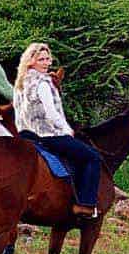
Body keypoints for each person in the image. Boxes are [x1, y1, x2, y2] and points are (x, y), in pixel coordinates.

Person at [14, 42, 103, 217]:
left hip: (26, 134)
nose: (47, 63)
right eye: (42, 59)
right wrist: (67, 130)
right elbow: (52, 113)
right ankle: (85, 204)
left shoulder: (20, 84)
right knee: (93, 158)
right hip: (48, 135)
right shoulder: (43, 83)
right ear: (31, 61)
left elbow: (18, 112)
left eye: (48, 59)